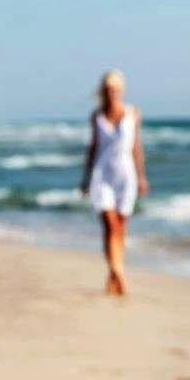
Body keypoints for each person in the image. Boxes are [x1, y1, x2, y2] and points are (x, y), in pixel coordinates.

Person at [81, 70, 149, 296]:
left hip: (126, 176)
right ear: (104, 91)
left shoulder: (133, 113)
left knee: (120, 227)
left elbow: (136, 147)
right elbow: (93, 148)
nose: (113, 94)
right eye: (109, 90)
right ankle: (118, 272)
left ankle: (114, 271)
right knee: (110, 225)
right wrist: (86, 178)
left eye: (116, 90)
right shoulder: (97, 116)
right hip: (102, 176)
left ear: (121, 90)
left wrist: (141, 176)